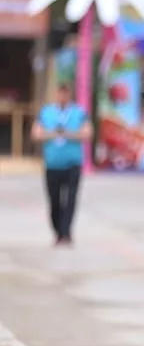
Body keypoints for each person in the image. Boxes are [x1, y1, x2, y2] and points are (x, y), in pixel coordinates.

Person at [31, 83, 91, 246]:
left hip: (72, 163)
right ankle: (58, 230)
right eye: (60, 93)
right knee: (54, 200)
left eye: (65, 93)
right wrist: (53, 134)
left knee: (70, 199)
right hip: (52, 164)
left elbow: (87, 133)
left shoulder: (78, 112)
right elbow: (36, 133)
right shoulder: (47, 112)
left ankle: (66, 233)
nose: (62, 97)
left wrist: (68, 134)